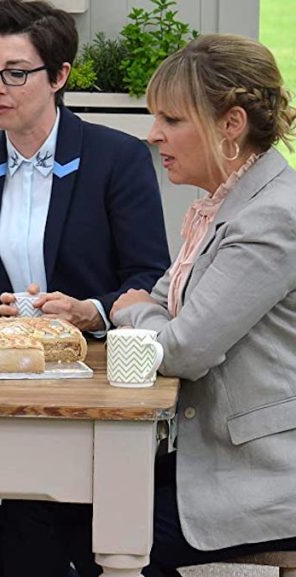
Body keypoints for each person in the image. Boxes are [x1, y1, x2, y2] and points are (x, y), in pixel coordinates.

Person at [0, 1, 171, 576]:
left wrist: (92, 311)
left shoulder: (118, 158)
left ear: (59, 77)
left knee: (33, 500)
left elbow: (147, 277)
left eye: (16, 72)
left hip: (92, 372)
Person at [107, 34, 296, 577]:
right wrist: (114, 311)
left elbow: (184, 348)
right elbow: (164, 302)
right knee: (59, 508)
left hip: (266, 475)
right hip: (209, 451)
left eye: (172, 119)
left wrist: (131, 313)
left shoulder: (271, 218)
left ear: (231, 125)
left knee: (83, 528)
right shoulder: (224, 203)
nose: (153, 134)